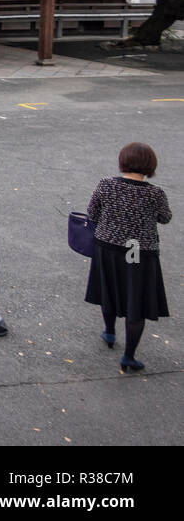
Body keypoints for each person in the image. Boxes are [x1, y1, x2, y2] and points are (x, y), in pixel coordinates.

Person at [83, 142, 172, 371]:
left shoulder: (106, 184)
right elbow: (165, 218)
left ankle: (110, 332)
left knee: (109, 290)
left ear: (122, 162)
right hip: (140, 253)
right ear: (150, 166)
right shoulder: (155, 193)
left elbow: (92, 213)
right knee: (137, 303)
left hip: (107, 247)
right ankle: (128, 357)